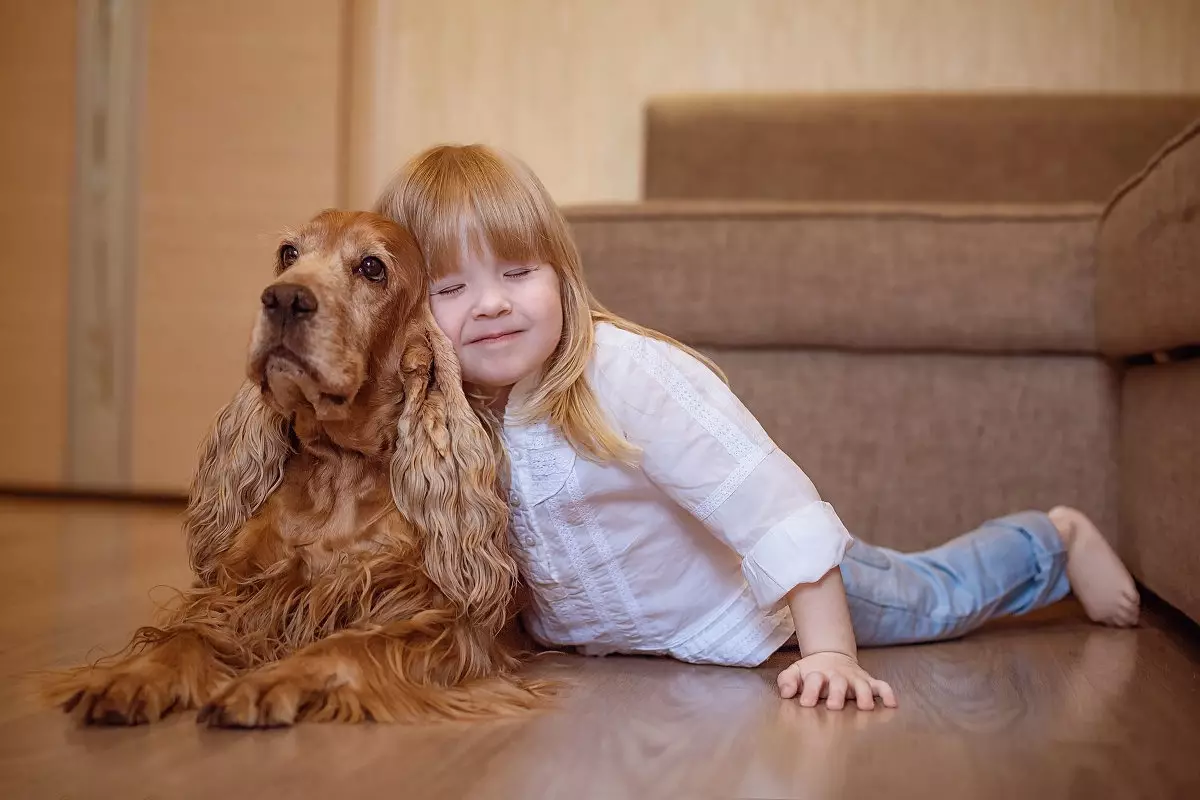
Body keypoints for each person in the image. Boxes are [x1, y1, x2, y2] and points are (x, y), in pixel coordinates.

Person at [373, 144, 1140, 711]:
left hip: (770, 605)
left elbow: (772, 505)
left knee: (931, 597)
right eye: (451, 287)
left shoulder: (624, 376)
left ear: (563, 275)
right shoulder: (445, 416)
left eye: (518, 273)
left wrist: (832, 652)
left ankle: (1052, 540)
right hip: (641, 648)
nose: (494, 304)